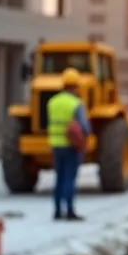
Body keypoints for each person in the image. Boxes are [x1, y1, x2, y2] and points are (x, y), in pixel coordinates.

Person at [48, 67, 91, 221]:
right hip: (71, 146)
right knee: (69, 179)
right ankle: (70, 211)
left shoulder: (52, 102)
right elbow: (85, 127)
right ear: (76, 86)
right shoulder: (76, 103)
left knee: (59, 178)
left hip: (55, 145)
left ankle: (57, 211)